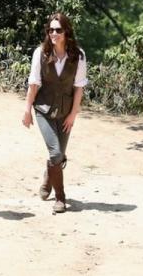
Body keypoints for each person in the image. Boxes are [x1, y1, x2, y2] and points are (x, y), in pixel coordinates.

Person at [21, 12, 88, 213]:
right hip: (43, 110)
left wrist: (73, 114)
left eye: (58, 30)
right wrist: (27, 110)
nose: (53, 33)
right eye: (50, 30)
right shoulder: (40, 53)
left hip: (66, 111)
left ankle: (48, 180)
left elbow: (79, 88)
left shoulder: (78, 56)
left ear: (66, 31)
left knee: (58, 155)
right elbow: (34, 84)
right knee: (56, 153)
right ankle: (60, 198)